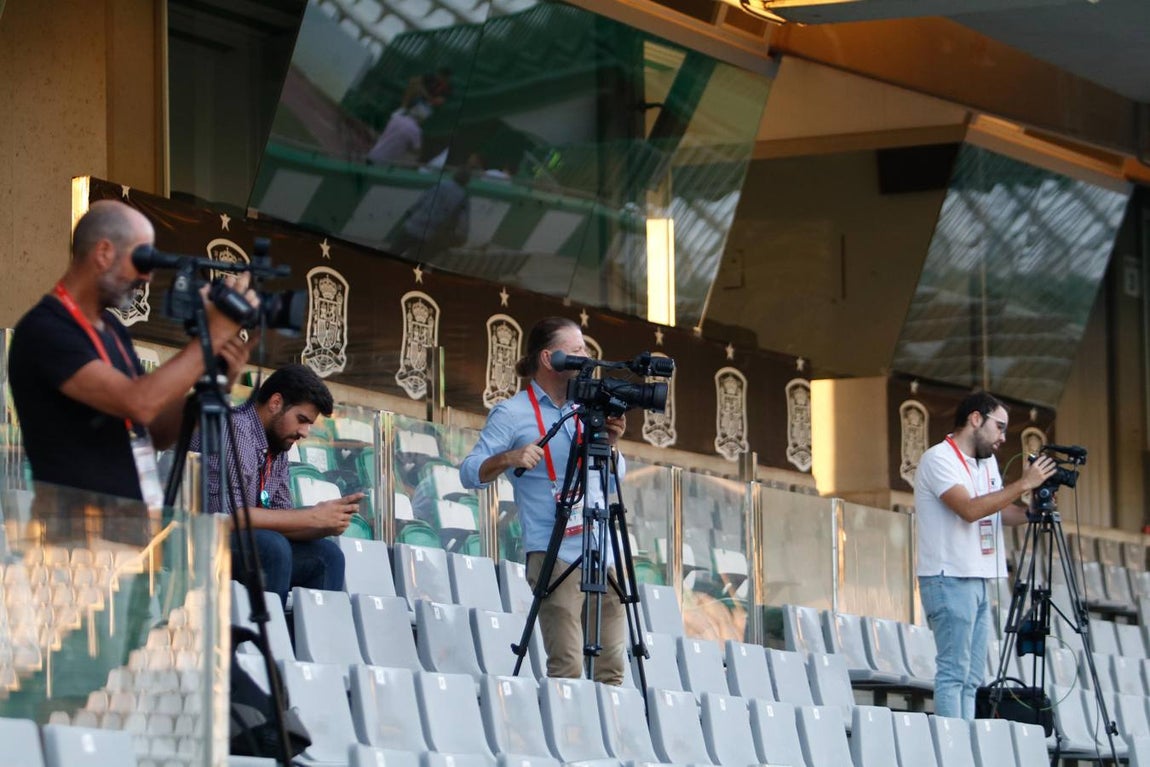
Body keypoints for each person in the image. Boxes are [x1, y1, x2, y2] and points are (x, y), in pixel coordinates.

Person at [8, 200, 254, 537]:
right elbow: (138, 402)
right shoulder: (46, 329)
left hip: (129, 531)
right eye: (142, 260)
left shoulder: (112, 329)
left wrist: (214, 381)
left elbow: (156, 431)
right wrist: (210, 337)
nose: (147, 276)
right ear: (104, 253)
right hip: (76, 542)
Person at [461, 317, 628, 684]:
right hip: (554, 550)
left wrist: (610, 445)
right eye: (577, 350)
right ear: (549, 358)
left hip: (603, 549)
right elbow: (469, 471)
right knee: (567, 667)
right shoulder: (512, 412)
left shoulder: (588, 408)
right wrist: (509, 458)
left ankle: (608, 739)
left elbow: (616, 479)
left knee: (612, 670)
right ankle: (568, 737)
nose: (587, 357)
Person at [913, 391, 1057, 719]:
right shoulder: (939, 459)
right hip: (947, 576)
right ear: (975, 419)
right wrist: (1023, 483)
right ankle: (954, 749)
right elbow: (969, 509)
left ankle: (964, 745)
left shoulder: (987, 461)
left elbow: (996, 509)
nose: (1003, 438)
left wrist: (1030, 511)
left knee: (972, 677)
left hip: (978, 577)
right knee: (954, 672)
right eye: (1000, 427)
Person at [193, 364, 362, 606]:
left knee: (328, 555)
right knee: (273, 548)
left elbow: (281, 518)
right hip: (201, 540)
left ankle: (306, 642)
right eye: (301, 420)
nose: (304, 432)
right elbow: (230, 518)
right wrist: (312, 517)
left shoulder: (278, 447)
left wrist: (324, 524)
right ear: (275, 403)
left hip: (244, 543)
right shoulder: (234, 428)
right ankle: (269, 639)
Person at [366, 101, 431, 167]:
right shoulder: (416, 130)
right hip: (384, 163)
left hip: (373, 154)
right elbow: (416, 151)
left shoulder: (396, 118)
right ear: (423, 118)